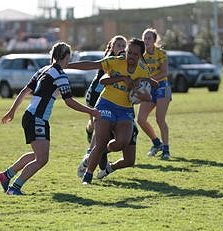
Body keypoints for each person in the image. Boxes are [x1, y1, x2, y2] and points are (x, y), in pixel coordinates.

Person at [0, 42, 100, 195]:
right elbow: (70, 102)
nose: (69, 61)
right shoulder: (60, 75)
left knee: (38, 155)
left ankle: (7, 175)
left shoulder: (43, 70)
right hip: (37, 118)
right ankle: (14, 188)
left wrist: (12, 111)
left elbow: (25, 91)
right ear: (65, 57)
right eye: (69, 57)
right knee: (42, 159)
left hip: (31, 116)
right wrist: (92, 111)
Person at [67, 38, 155, 184]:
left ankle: (99, 154)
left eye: (135, 54)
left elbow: (149, 93)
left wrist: (143, 94)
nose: (130, 56)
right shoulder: (115, 61)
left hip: (125, 110)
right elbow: (97, 72)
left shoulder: (143, 71)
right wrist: (66, 65)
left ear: (140, 56)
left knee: (122, 142)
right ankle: (87, 176)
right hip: (106, 105)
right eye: (129, 52)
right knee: (100, 142)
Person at [78, 35, 127, 177]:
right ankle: (89, 155)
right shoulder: (110, 59)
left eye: (124, 46)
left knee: (99, 129)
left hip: (110, 99)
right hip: (97, 95)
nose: (122, 48)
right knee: (97, 127)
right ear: (112, 47)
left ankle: (98, 156)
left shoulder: (124, 59)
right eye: (118, 45)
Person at [137, 28, 172, 160]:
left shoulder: (161, 53)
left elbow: (164, 72)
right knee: (140, 119)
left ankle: (166, 150)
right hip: (149, 88)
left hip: (162, 86)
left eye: (149, 38)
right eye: (144, 38)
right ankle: (157, 143)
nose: (146, 41)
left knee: (159, 119)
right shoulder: (141, 56)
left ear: (154, 40)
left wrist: (148, 80)